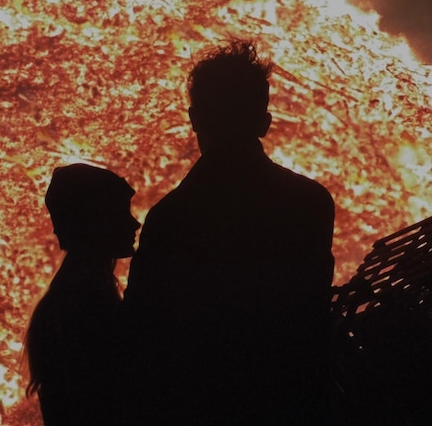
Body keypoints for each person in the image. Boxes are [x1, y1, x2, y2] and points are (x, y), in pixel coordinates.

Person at [124, 38, 336, 424]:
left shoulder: (170, 219)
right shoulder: (310, 203)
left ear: (195, 119)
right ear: (264, 122)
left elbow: (144, 341)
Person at [24, 163, 140, 425]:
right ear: (94, 221)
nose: (134, 222)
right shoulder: (82, 304)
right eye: (120, 212)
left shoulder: (72, 296)